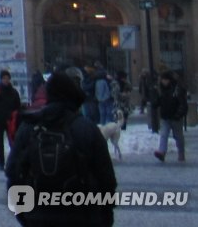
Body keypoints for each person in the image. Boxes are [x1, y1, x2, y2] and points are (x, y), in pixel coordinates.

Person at [6, 70, 116, 226]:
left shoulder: (29, 127)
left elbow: (13, 174)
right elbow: (106, 179)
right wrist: (104, 215)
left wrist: (23, 213)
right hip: (82, 216)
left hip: (38, 217)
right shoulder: (86, 128)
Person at [154, 70, 188, 162]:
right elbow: (158, 101)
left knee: (178, 137)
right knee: (163, 135)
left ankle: (181, 153)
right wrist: (155, 103)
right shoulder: (161, 90)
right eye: (162, 80)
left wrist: (179, 114)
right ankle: (162, 152)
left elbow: (183, 104)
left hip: (176, 117)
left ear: (169, 80)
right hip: (165, 117)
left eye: (165, 80)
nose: (163, 82)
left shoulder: (177, 89)